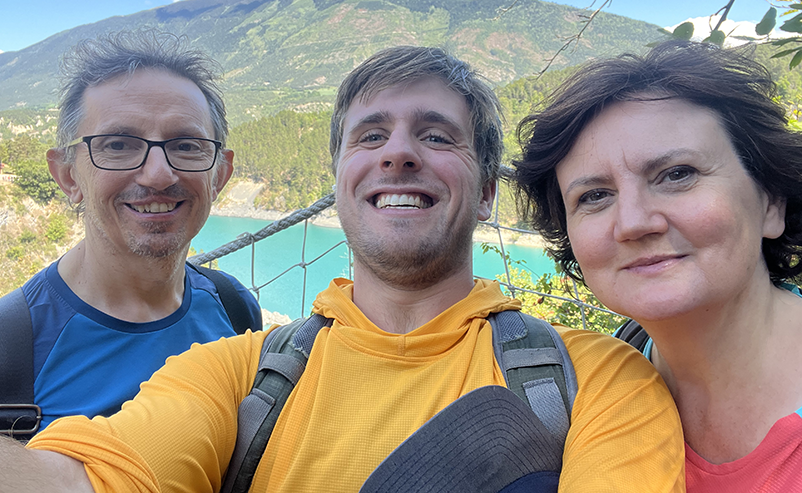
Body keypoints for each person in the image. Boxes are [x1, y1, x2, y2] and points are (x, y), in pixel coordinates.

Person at [1, 46, 684, 492]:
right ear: (340, 178)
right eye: (371, 135)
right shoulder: (233, 371)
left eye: (437, 135)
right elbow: (70, 481)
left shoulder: (597, 379)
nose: (399, 154)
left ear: (484, 192)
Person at [513, 41, 802, 491]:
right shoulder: (587, 394)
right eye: (594, 196)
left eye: (677, 174)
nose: (633, 223)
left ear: (771, 202)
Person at [0, 30, 261, 437]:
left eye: (187, 145)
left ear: (219, 174)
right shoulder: (9, 347)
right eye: (118, 145)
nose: (158, 174)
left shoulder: (236, 309)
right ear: (68, 176)